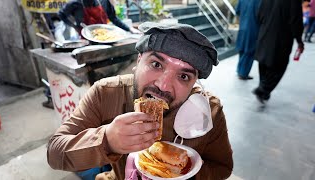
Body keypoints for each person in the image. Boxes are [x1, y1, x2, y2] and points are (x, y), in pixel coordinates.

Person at [47, 22, 233, 180]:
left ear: (194, 83)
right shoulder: (105, 93)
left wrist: (184, 174)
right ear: (138, 61)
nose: (164, 86)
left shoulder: (209, 113)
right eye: (156, 64)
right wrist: (107, 141)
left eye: (183, 76)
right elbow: (55, 153)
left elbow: (222, 168)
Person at [253, 0, 304, 103]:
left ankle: (263, 89)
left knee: (264, 63)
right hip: (282, 38)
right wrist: (299, 40)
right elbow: (296, 21)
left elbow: (258, 15)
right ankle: (263, 89)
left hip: (265, 33)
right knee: (279, 66)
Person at [58, 0, 140, 35]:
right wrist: (74, 26)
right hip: (85, 40)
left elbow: (113, 18)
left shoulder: (104, 1)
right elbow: (61, 14)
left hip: (105, 37)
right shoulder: (75, 3)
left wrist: (130, 29)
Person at [235, 0, 261, 80]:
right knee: (250, 51)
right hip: (253, 28)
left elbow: (237, 11)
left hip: (242, 27)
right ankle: (243, 73)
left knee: (242, 49)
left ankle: (239, 70)